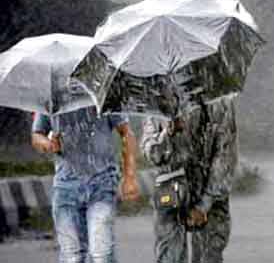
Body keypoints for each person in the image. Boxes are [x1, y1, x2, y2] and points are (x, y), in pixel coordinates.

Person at [141, 82, 238, 263]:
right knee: (169, 257)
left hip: (210, 191)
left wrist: (204, 204)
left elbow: (225, 156)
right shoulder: (157, 98)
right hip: (170, 192)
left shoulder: (219, 99)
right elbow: (151, 153)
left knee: (209, 255)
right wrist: (167, 135)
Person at [31, 106, 140, 263]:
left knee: (101, 253)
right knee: (72, 256)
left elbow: (126, 133)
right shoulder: (52, 100)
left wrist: (129, 177)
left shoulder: (102, 97)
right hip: (66, 188)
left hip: (102, 185)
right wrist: (47, 144)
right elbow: (37, 135)